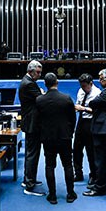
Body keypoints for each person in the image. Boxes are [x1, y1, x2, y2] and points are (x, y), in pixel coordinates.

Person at [35, 73, 77, 204]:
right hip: (65, 136)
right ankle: (70, 194)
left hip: (48, 137)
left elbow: (38, 120)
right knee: (68, 165)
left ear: (45, 84)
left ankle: (52, 195)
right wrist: (70, 133)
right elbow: (72, 119)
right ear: (57, 82)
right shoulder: (66, 98)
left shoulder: (39, 100)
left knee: (49, 165)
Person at [80, 68, 106, 197]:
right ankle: (99, 184)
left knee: (100, 160)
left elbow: (93, 103)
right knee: (100, 160)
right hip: (104, 128)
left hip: (102, 130)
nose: (99, 80)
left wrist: (96, 102)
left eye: (101, 78)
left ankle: (99, 188)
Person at [19, 60, 44, 196]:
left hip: (30, 121)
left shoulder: (27, 81)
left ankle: (28, 179)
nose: (40, 75)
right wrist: (42, 92)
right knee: (32, 154)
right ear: (30, 71)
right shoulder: (29, 83)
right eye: (38, 72)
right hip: (33, 123)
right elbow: (41, 98)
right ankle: (30, 185)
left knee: (30, 152)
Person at [73, 73, 100, 183]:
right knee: (77, 149)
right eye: (81, 86)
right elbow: (78, 104)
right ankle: (78, 173)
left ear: (91, 83)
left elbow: (97, 111)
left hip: (91, 122)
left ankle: (93, 174)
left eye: (85, 86)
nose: (83, 88)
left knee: (90, 150)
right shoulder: (81, 91)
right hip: (81, 121)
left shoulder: (97, 93)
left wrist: (83, 108)